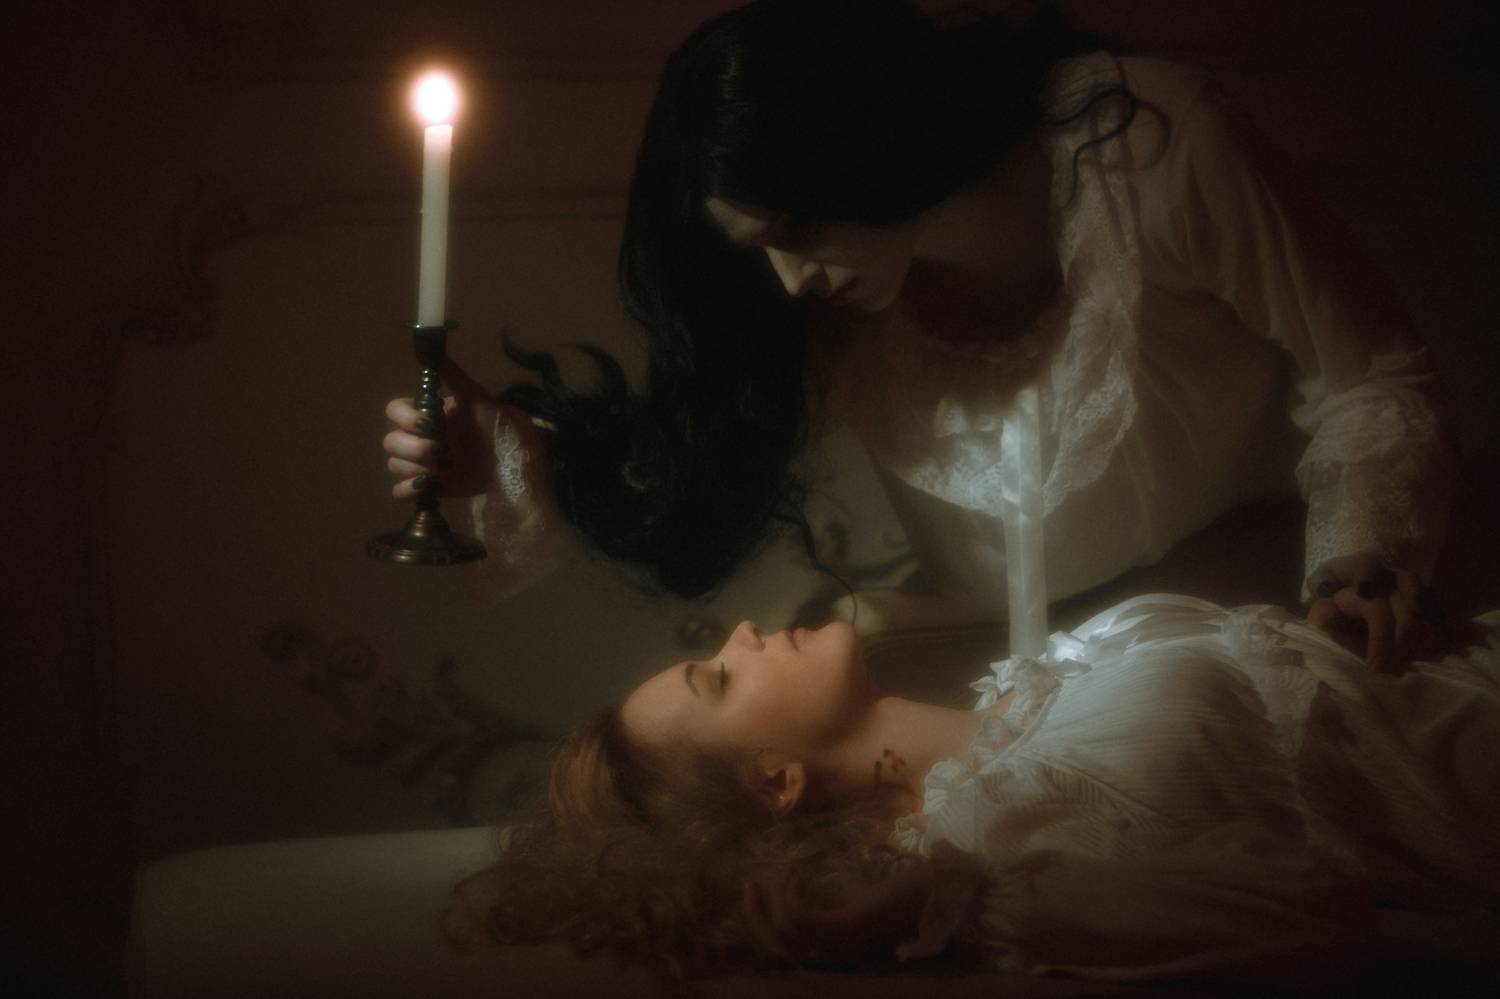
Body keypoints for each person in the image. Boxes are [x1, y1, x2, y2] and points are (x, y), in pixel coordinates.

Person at [382, 0, 1455, 667]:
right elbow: (685, 475)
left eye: (798, 227)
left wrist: (1357, 565)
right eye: (760, 248)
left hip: (1270, 598)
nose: (790, 278)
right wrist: (516, 457)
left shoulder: (1149, 150)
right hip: (1014, 656)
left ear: (868, 145)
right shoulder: (825, 306)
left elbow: (1370, 377)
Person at [445, 597, 1500, 985]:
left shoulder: (1018, 699)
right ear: (775, 780)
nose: (744, 631)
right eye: (721, 677)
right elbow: (1318, 912)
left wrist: (1331, 638)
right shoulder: (1004, 852)